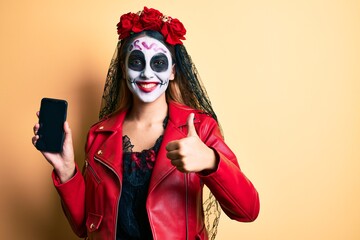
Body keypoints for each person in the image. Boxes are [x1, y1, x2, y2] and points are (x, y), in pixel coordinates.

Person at [32, 7, 260, 240]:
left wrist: (211, 161)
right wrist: (67, 170)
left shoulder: (200, 127)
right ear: (123, 68)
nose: (147, 73)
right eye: (137, 62)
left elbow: (248, 210)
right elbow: (84, 226)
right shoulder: (99, 135)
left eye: (158, 63)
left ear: (172, 71)